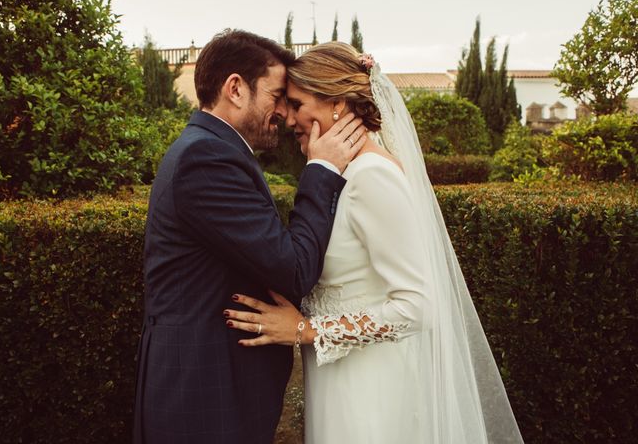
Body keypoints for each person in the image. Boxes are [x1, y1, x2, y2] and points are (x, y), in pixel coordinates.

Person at [225, 42, 525, 444]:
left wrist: (305, 330)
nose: (289, 118)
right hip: (342, 378)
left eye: (297, 104)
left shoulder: (372, 177)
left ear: (336, 102)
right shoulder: (343, 176)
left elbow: (418, 306)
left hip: (370, 388)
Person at [133, 30, 367, 444]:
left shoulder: (211, 150)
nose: (284, 113)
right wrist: (322, 169)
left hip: (211, 384)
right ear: (236, 89)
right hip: (203, 396)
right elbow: (292, 269)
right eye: (277, 96)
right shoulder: (206, 158)